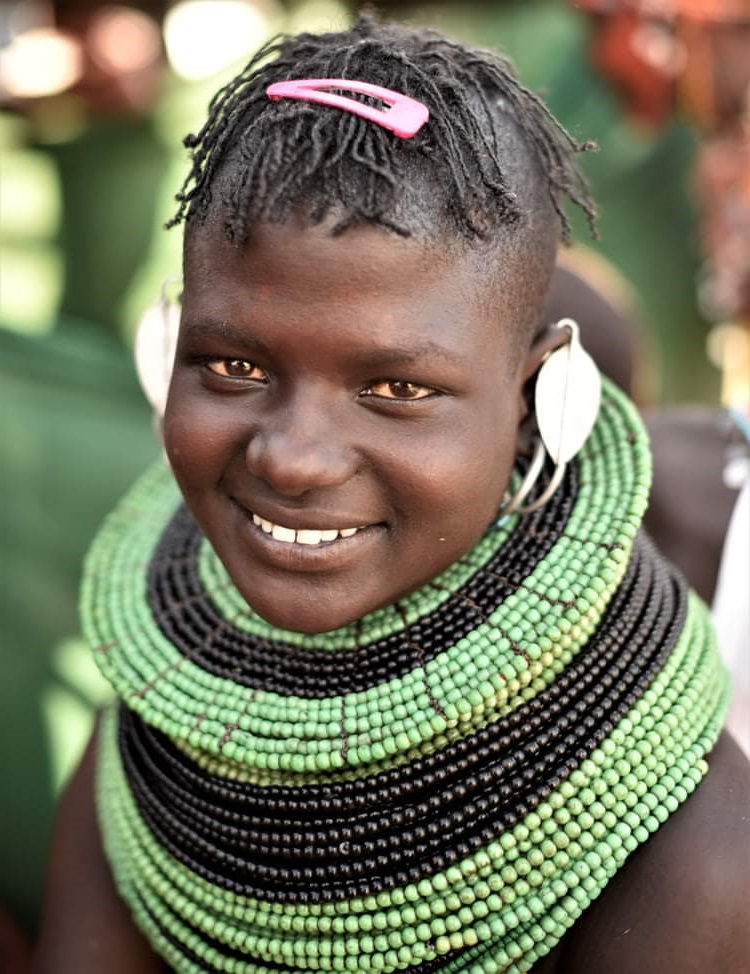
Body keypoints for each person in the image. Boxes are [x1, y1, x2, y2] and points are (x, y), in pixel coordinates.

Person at [33, 16, 749, 974]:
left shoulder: (691, 852)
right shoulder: (157, 732)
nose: (292, 459)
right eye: (234, 364)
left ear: (538, 406)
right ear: (170, 351)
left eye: (397, 390)